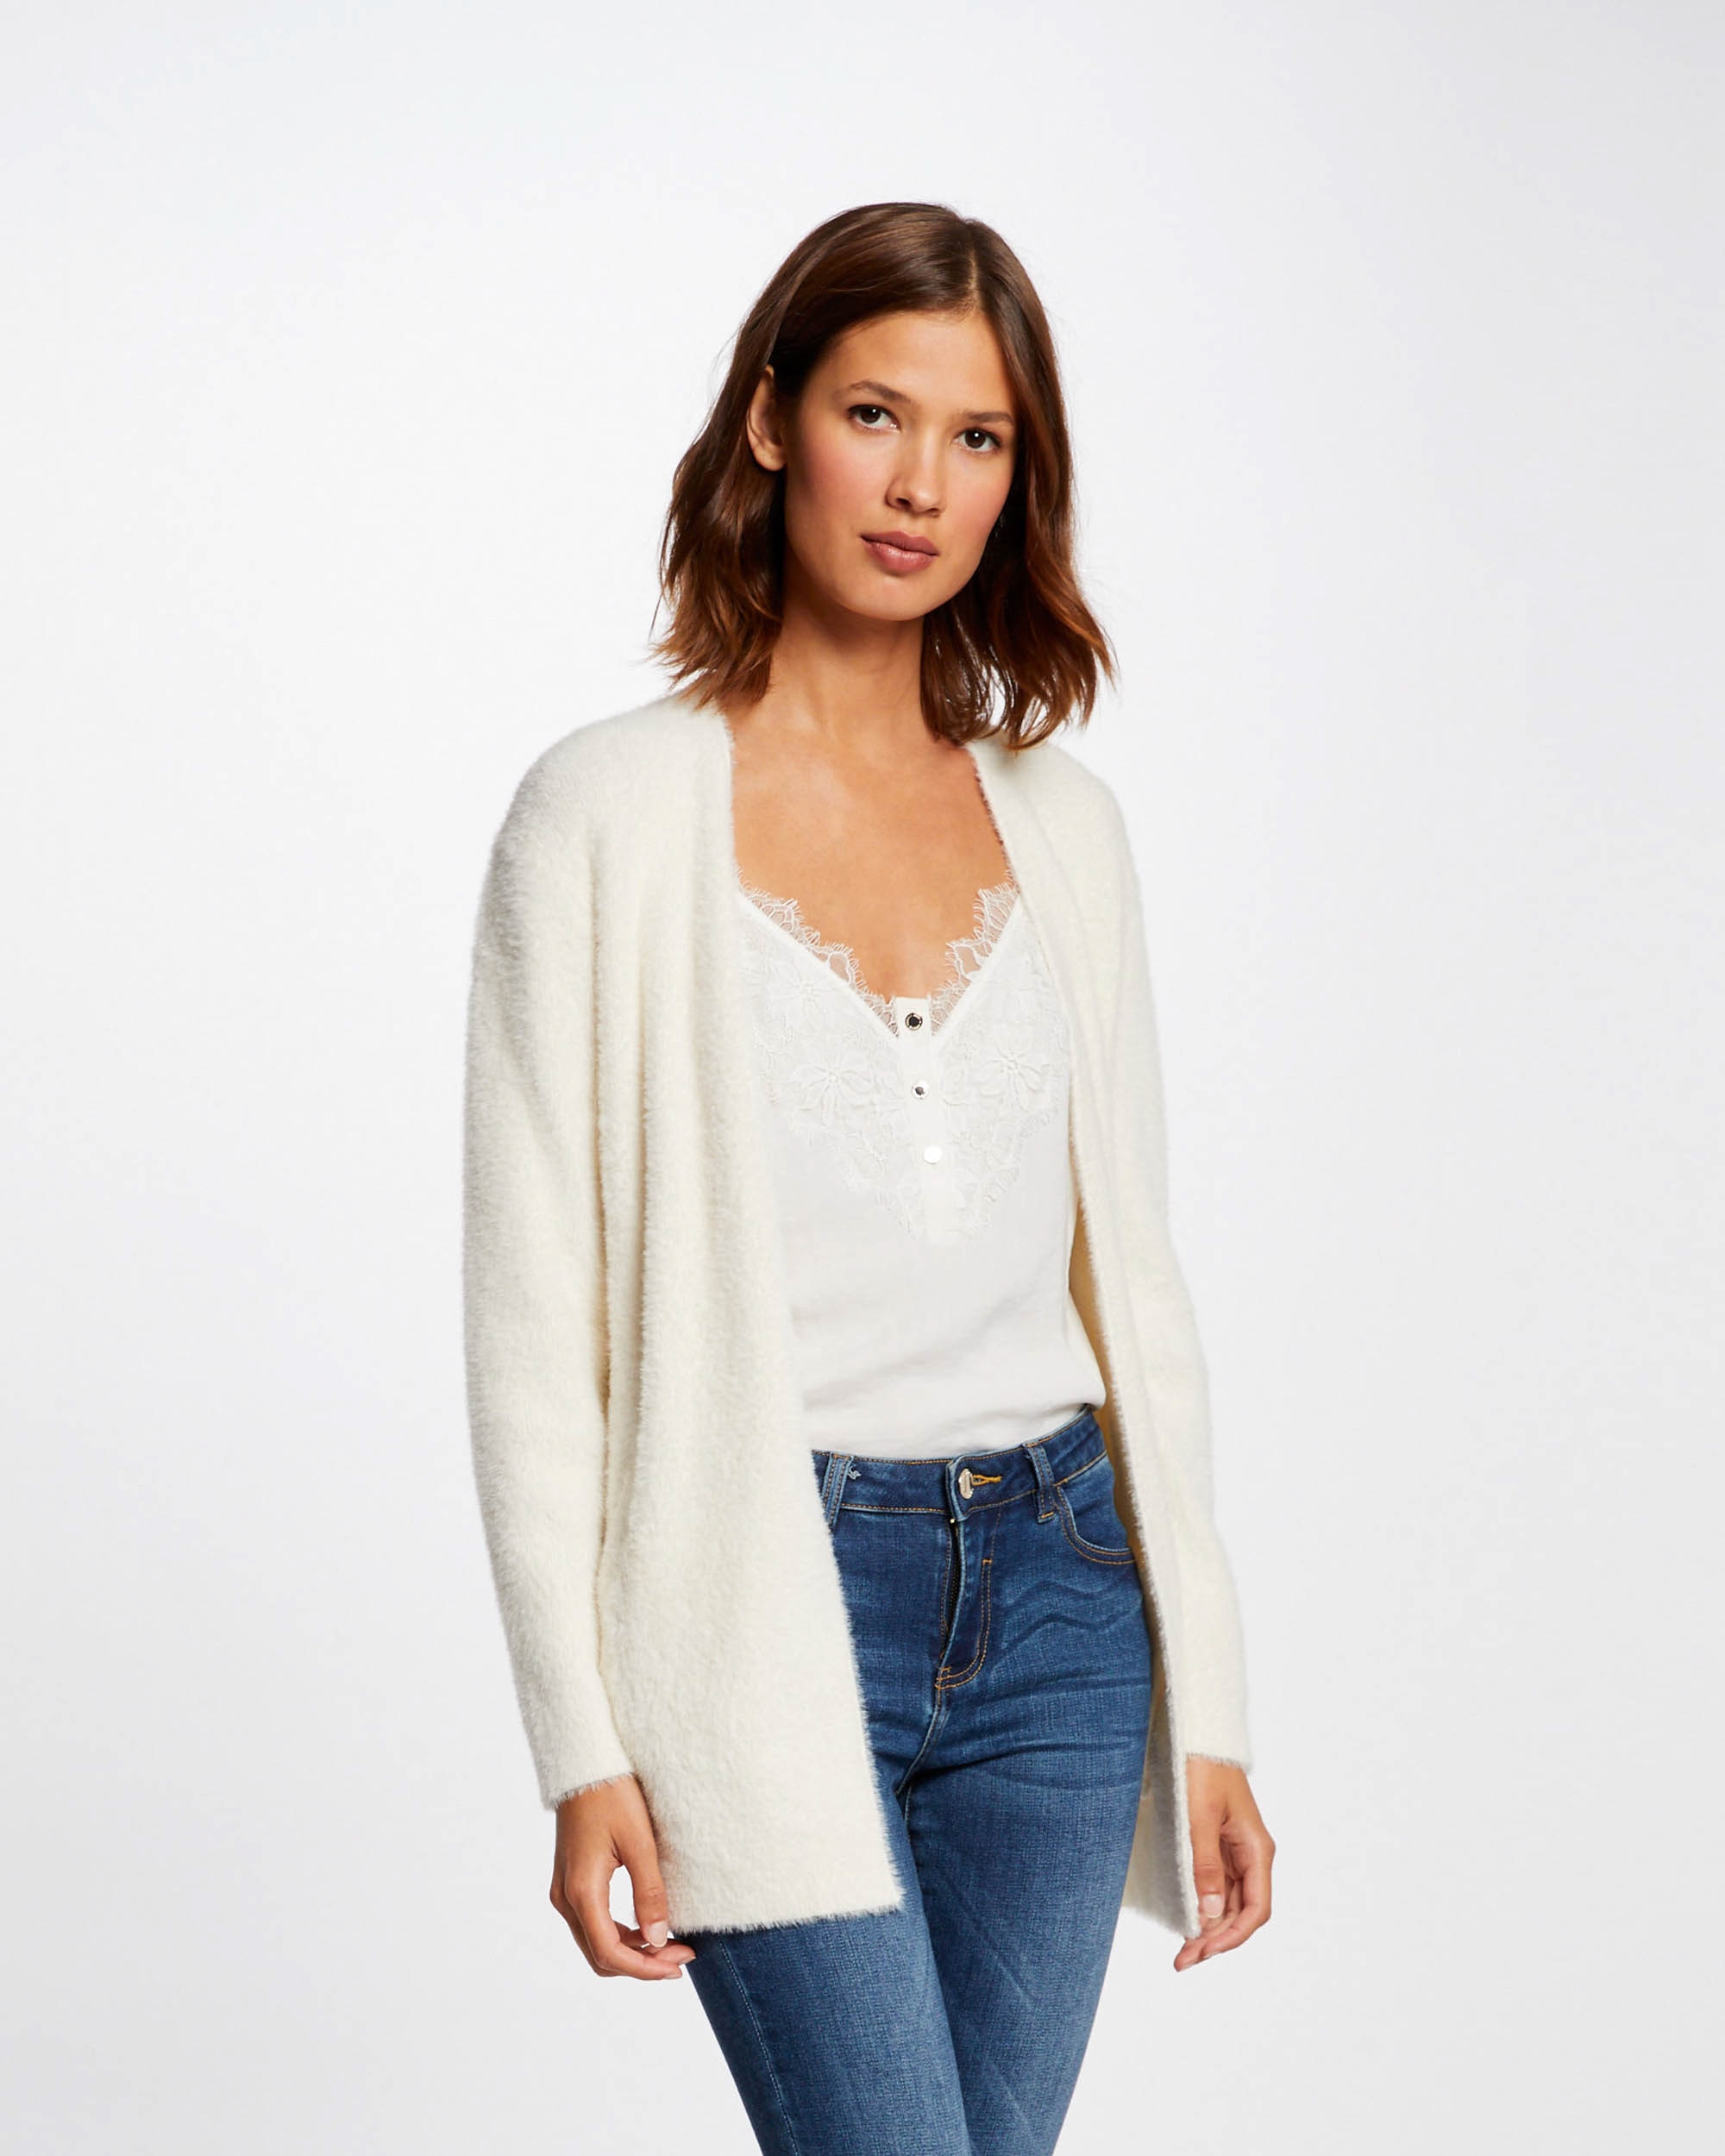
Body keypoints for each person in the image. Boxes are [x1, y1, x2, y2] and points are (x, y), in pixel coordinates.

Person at [461, 200, 1275, 2156]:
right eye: (875, 414)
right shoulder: (604, 816)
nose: (921, 484)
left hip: (1067, 1596)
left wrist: (1217, 1698)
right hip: (764, 1592)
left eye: (978, 437)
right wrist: (579, 1740)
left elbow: (1134, 1284)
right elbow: (532, 1331)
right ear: (772, 422)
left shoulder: (1065, 829)